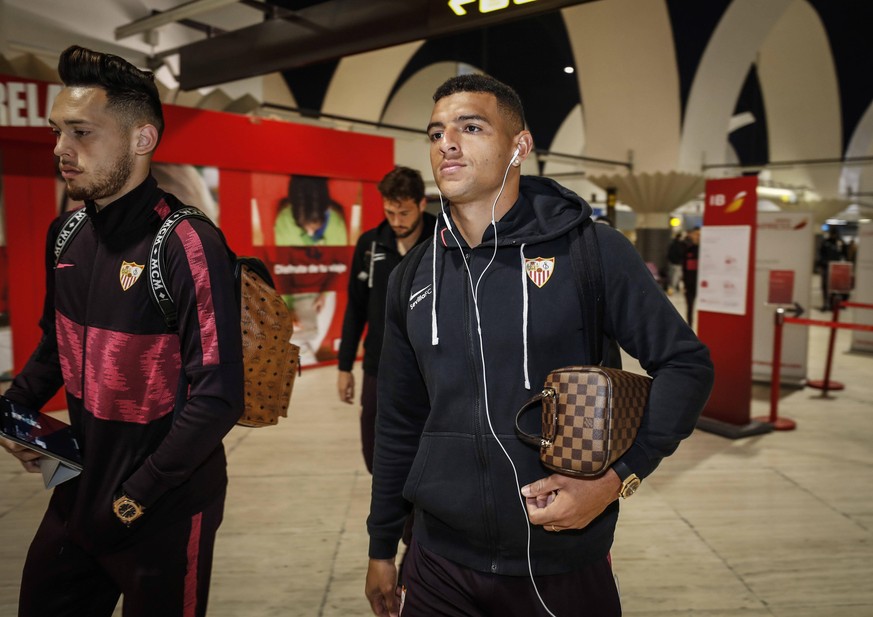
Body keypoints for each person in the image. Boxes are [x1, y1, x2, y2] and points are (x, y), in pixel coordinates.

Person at [364, 74, 714, 617]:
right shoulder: (412, 277)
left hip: (559, 557)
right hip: (437, 559)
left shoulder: (590, 251)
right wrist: (382, 545)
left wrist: (616, 480)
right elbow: (399, 420)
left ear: (519, 145)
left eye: (471, 127)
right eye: (435, 133)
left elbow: (686, 365)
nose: (446, 143)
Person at [0, 46, 243, 617]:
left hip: (162, 508)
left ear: (142, 140)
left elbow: (218, 397)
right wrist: (13, 412)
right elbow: (54, 349)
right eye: (58, 131)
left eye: (82, 132)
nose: (61, 148)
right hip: (76, 491)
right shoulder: (65, 234)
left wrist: (133, 499)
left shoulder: (187, 244)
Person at [337, 166, 436, 473]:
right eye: (390, 212)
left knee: (426, 443)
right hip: (379, 364)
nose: (396, 222)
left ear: (421, 204)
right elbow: (356, 306)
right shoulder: (370, 244)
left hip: (431, 364)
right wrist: (344, 366)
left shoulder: (444, 240)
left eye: (403, 213)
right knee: (375, 446)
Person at [274, 174, 349, 246]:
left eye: (315, 228)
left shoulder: (336, 225)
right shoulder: (284, 222)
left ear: (327, 209)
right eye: (303, 227)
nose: (310, 234)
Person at [817, 229, 847, 310]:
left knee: (835, 287)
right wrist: (821, 264)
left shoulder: (840, 243)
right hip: (826, 267)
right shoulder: (826, 243)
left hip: (837, 268)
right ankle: (826, 304)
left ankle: (833, 304)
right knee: (825, 287)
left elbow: (844, 255)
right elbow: (821, 254)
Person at [681, 226, 700, 327]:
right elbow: (684, 268)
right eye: (696, 234)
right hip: (689, 283)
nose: (697, 237)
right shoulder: (688, 250)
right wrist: (684, 283)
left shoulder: (704, 251)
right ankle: (690, 326)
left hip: (701, 284)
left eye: (699, 235)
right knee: (690, 307)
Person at [666, 230, 686, 296]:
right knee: (676, 277)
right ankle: (673, 289)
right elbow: (680, 253)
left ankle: (673, 289)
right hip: (677, 263)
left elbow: (669, 254)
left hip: (673, 263)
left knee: (673, 276)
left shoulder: (672, 243)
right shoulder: (679, 245)